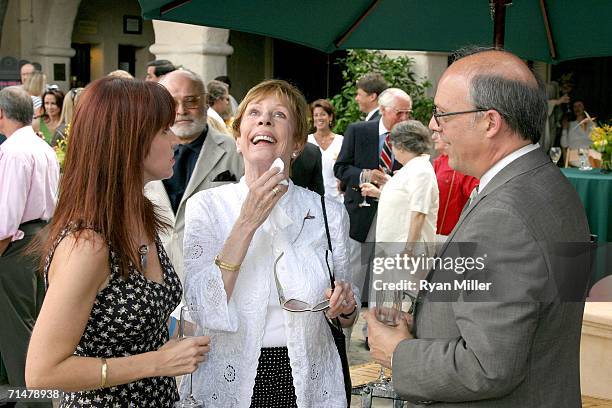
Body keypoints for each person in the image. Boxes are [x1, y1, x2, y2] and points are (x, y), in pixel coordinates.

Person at [365, 47, 590, 407]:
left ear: (490, 122)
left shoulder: (505, 214)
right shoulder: (549, 184)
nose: (433, 125)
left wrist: (399, 353)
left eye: (442, 113)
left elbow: (488, 367)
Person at [25, 77, 210, 406]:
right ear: (130, 141)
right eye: (164, 130)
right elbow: (42, 373)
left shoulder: (138, 214)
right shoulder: (89, 244)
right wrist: (156, 362)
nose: (175, 141)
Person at [182, 79, 358, 407]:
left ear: (295, 144)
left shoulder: (327, 213)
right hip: (229, 376)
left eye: (279, 115)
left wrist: (345, 304)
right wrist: (246, 222)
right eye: (254, 113)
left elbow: (347, 315)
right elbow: (201, 309)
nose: (264, 120)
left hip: (310, 380)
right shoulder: (206, 207)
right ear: (238, 139)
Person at [145, 69, 243, 312]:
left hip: (216, 283)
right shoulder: (140, 152)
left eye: (191, 101)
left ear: (206, 101)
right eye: (172, 102)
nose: (180, 111)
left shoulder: (233, 151)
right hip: (154, 286)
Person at [0, 86, 59, 408]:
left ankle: (33, 399)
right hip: (40, 236)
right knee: (33, 323)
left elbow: (5, 216)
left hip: (16, 241)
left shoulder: (13, 150)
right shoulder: (40, 145)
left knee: (17, 329)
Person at [334, 88, 412, 306]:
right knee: (355, 276)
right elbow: (340, 169)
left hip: (394, 218)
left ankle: (373, 333)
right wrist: (364, 175)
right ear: (383, 110)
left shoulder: (410, 138)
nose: (405, 118)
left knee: (385, 277)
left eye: (409, 113)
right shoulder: (358, 131)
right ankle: (347, 321)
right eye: (400, 113)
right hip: (360, 213)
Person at [360, 120, 439, 263]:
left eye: (392, 146)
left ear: (401, 146)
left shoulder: (421, 171)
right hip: (392, 250)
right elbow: (404, 200)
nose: (393, 151)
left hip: (407, 253)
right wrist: (378, 193)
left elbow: (419, 213)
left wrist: (408, 250)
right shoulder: (411, 167)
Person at [432, 131, 478, 236]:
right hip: (433, 235)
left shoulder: (462, 165)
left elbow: (476, 197)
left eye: (438, 133)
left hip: (450, 238)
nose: (433, 137)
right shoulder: (439, 161)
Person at [307, 99, 344, 202]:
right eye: (316, 115)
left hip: (337, 199)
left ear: (330, 117)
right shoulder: (306, 142)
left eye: (323, 114)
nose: (319, 118)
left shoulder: (341, 141)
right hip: (311, 200)